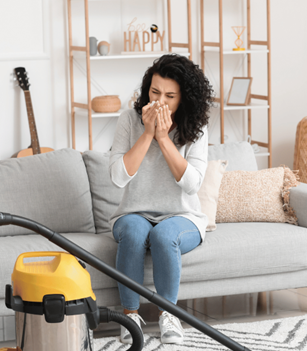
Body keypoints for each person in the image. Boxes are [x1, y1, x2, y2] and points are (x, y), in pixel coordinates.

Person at [109, 54, 214, 344]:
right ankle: (129, 317)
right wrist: (147, 134)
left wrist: (165, 139)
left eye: (170, 96)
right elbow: (118, 177)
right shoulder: (129, 121)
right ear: (147, 91)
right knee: (133, 231)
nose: (160, 101)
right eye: (155, 93)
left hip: (183, 217)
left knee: (165, 235)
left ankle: (169, 314)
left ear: (184, 98)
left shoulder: (196, 128)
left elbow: (192, 185)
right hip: (133, 213)